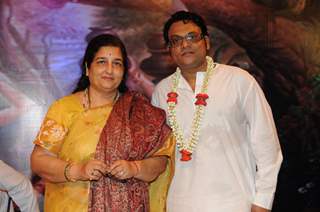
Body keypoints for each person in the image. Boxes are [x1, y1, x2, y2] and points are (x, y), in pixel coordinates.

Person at [151, 11, 283, 212]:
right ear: (170, 50)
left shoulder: (239, 80)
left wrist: (262, 202)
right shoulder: (162, 91)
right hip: (179, 204)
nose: (185, 45)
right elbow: (160, 154)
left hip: (235, 203)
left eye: (191, 37)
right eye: (176, 41)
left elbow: (268, 147)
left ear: (206, 41)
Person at [31, 34, 175, 212]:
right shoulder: (64, 109)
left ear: (124, 72)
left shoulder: (139, 111)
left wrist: (135, 167)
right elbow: (39, 160)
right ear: (87, 68)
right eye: (101, 62)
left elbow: (160, 160)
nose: (109, 69)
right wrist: (78, 171)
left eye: (117, 63)